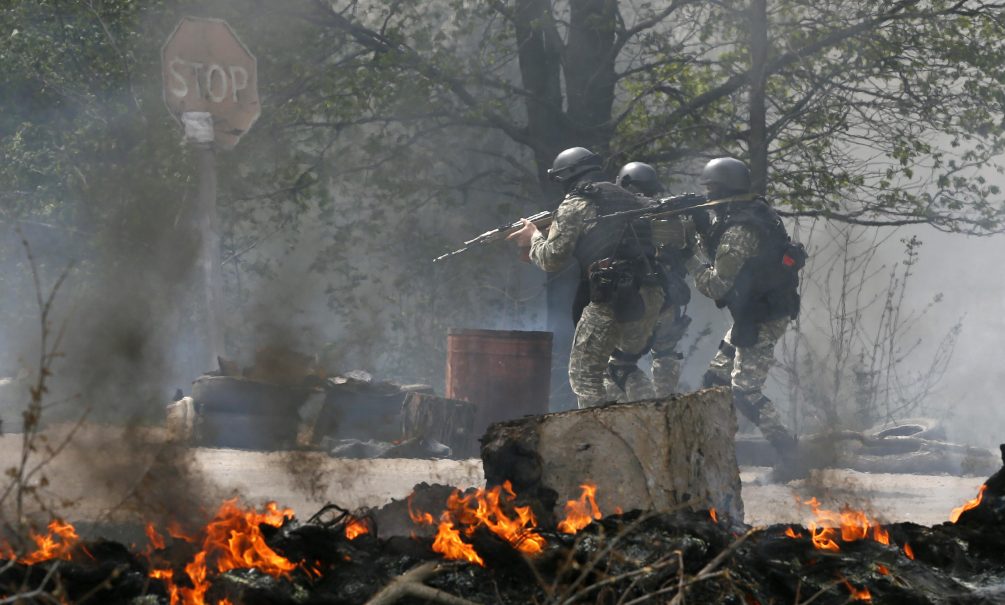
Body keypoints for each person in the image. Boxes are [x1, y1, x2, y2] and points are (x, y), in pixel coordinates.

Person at [507, 147, 664, 408]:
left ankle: (598, 442)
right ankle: (652, 428)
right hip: (649, 295)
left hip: (613, 297)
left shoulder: (575, 203)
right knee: (622, 367)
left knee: (584, 378)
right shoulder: (626, 197)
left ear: (567, 176)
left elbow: (550, 259)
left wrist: (533, 236)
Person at [685, 157, 803, 459]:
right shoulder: (749, 213)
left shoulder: (740, 229)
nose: (708, 196)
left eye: (712, 189)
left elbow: (716, 285)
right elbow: (721, 252)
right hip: (754, 312)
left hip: (763, 316)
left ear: (725, 189)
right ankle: (709, 448)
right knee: (714, 381)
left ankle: (790, 453)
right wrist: (699, 232)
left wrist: (687, 254)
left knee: (744, 393)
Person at [611, 162, 694, 399]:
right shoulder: (671, 217)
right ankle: (666, 404)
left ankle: (640, 411)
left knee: (620, 363)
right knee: (666, 353)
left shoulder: (623, 219)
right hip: (670, 297)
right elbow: (687, 251)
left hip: (638, 301)